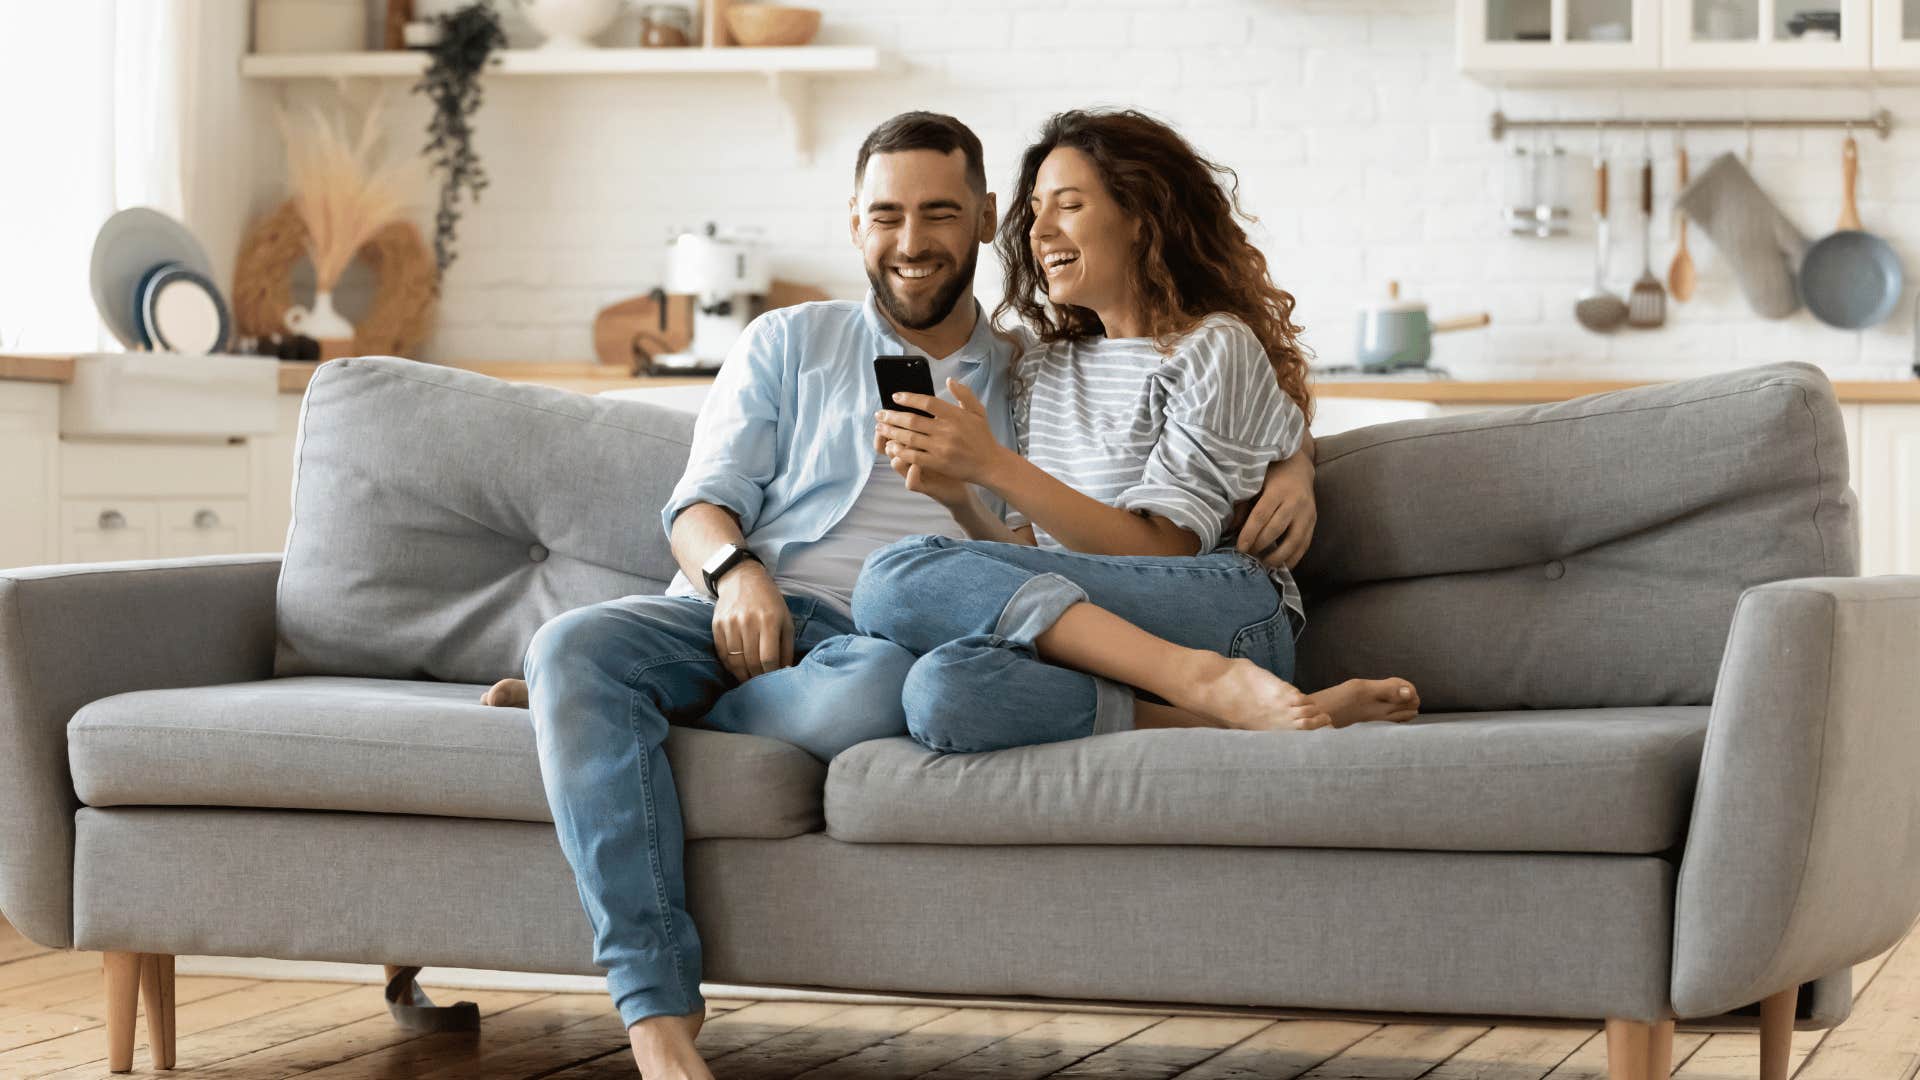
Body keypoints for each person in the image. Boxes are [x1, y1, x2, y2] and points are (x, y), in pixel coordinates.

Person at [503, 111, 1324, 1080]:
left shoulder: (1035, 365)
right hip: (742, 613)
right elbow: (696, 508)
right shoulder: (787, 343)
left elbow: (1195, 392)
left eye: (939, 213)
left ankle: (616, 717)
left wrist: (1296, 465)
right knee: (570, 649)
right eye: (886, 215)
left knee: (883, 687)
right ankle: (658, 1024)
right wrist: (738, 577)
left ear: (982, 219)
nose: (910, 241)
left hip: (886, 646)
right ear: (854, 223)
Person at [854, 108, 1419, 753]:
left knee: (890, 577)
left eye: (1068, 205)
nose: (1038, 230)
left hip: (1218, 612)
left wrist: (995, 466)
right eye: (1035, 208)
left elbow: (1165, 551)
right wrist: (960, 498)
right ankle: (1226, 713)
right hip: (1101, 630)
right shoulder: (1040, 367)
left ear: (1142, 218)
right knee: (940, 691)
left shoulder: (1210, 347)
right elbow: (1038, 563)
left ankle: (1205, 678)